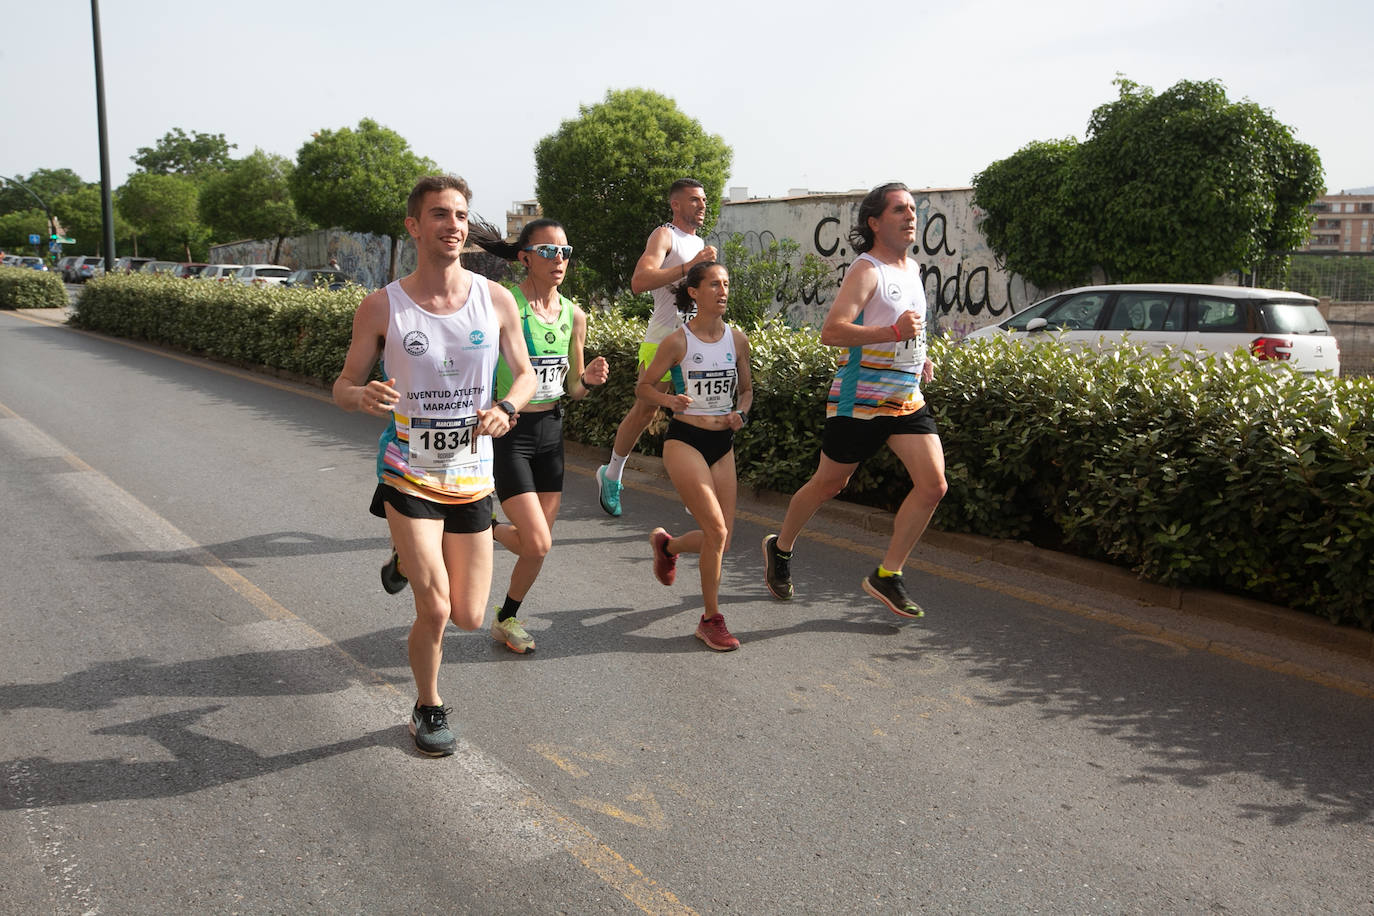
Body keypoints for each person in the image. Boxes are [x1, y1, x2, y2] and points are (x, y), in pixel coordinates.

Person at [333, 175, 535, 756]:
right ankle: (428, 704)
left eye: (462, 215)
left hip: (472, 475)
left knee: (471, 616)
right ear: (414, 226)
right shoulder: (381, 306)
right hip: (409, 472)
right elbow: (343, 386)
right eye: (440, 214)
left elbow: (522, 375)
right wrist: (361, 395)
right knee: (437, 606)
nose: (454, 225)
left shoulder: (495, 300)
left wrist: (507, 407)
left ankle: (405, 553)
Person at [761, 182, 946, 618]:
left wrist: (920, 356)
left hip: (904, 398)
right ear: (875, 222)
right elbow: (833, 332)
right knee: (830, 483)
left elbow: (907, 328)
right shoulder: (867, 270)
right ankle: (781, 548)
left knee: (934, 485)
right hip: (859, 398)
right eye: (900, 209)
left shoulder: (914, 269)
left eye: (913, 209)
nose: (910, 216)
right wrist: (892, 334)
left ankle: (888, 574)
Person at [469, 218, 609, 654]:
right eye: (548, 252)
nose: (559, 260)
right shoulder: (504, 305)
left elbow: (573, 390)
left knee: (537, 548)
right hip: (512, 431)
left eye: (565, 252)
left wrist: (587, 380)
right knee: (538, 539)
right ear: (525, 257)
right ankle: (482, 527)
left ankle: (506, 616)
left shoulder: (574, 314)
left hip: (552, 431)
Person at [637, 261, 752, 651]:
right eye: (714, 284)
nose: (722, 291)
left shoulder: (737, 339)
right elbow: (644, 387)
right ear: (694, 292)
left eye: (726, 283)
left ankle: (667, 547)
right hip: (685, 440)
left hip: (724, 445)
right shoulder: (677, 342)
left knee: (718, 538)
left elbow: (748, 390)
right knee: (716, 532)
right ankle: (710, 619)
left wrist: (742, 413)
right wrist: (670, 399)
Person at [596, 178, 718, 517]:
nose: (702, 205)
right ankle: (612, 474)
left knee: (700, 409)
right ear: (675, 205)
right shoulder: (663, 235)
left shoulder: (699, 242)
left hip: (694, 341)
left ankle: (698, 491)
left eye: (704, 200)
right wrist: (690, 266)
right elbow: (639, 281)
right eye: (694, 200)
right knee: (645, 411)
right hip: (663, 338)